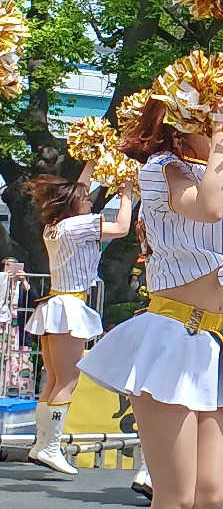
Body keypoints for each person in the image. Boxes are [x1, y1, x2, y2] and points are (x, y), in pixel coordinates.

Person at [77, 30, 223, 509]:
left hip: (221, 343)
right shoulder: (163, 171)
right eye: (211, 106)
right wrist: (222, 132)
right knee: (174, 500)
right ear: (184, 121)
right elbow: (209, 206)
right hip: (170, 338)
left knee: (211, 499)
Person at [25, 162, 133, 475]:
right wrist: (126, 195)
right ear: (74, 205)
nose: (89, 202)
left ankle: (43, 443)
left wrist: (92, 161)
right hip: (69, 307)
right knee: (68, 381)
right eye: (85, 201)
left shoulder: (55, 226)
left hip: (56, 304)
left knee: (55, 380)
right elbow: (121, 228)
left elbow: (80, 191)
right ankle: (48, 446)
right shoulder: (79, 225)